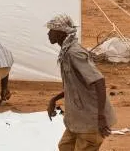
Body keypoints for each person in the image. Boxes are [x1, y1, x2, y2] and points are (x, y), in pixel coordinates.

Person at [46, 14, 116, 151]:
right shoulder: (67, 52)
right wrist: (54, 99)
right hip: (79, 118)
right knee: (65, 146)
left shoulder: (74, 53)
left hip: (90, 120)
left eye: (51, 30)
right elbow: (74, 86)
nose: (48, 33)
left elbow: (99, 81)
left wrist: (100, 117)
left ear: (61, 33)